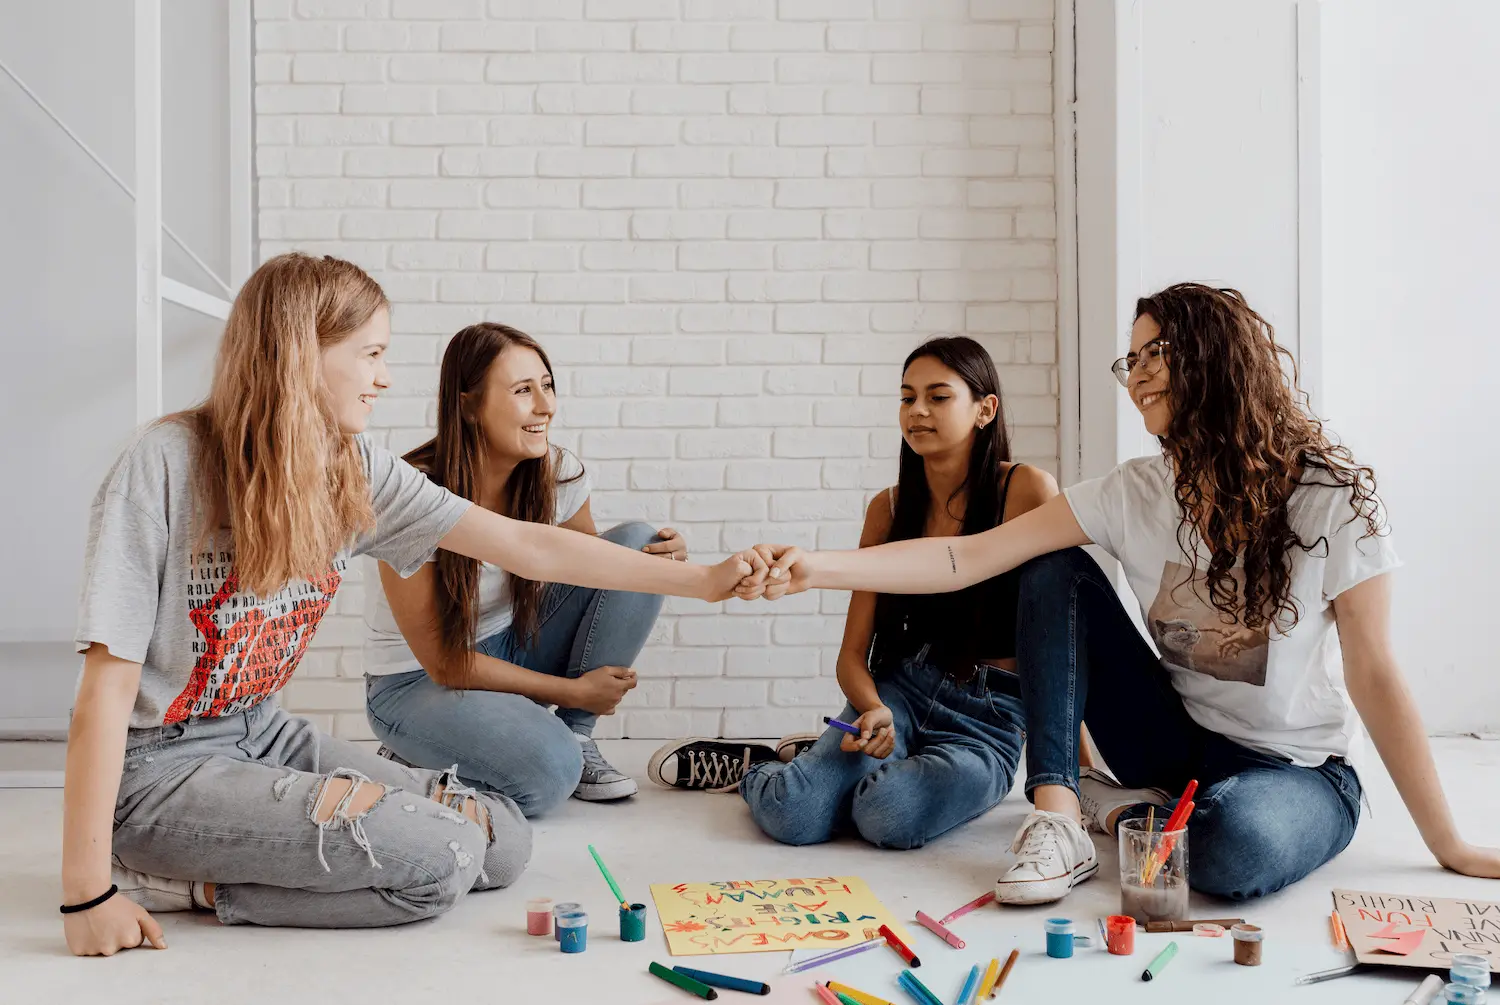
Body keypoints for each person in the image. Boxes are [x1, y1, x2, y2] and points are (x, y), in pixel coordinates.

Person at [64, 253, 757, 956]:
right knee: (440, 859)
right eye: (370, 353)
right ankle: (172, 881)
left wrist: (702, 580)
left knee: (504, 837)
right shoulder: (164, 464)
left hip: (262, 731)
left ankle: (240, 856)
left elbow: (530, 546)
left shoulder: (352, 467)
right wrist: (86, 892)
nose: (385, 377)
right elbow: (106, 688)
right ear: (301, 353)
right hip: (156, 768)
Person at [745, 283, 1500, 903]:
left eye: (1154, 353)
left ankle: (1144, 810)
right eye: (1128, 358)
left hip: (1292, 768)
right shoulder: (1135, 490)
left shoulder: (1329, 498)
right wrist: (817, 565)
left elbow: (1374, 671)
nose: (1135, 372)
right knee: (1052, 566)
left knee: (1228, 850)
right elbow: (964, 558)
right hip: (1169, 740)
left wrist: (1450, 844)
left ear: (1214, 359)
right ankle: (1064, 818)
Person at [647, 337, 1058, 852]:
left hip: (987, 721)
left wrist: (1075, 777)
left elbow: (1062, 643)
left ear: (985, 409)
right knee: (793, 815)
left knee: (887, 815)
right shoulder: (887, 510)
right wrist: (872, 709)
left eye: (939, 396)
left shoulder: (1026, 491)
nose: (918, 411)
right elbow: (850, 656)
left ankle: (817, 766)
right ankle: (764, 769)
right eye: (907, 398)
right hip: (897, 694)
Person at [365, 323, 687, 812]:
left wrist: (661, 565)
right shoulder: (412, 495)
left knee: (636, 547)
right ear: (469, 404)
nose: (546, 406)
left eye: (547, 385)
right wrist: (571, 689)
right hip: (417, 681)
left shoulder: (556, 472)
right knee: (548, 775)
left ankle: (578, 737)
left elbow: (598, 576)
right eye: (522, 390)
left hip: (514, 643)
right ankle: (420, 748)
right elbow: (445, 662)